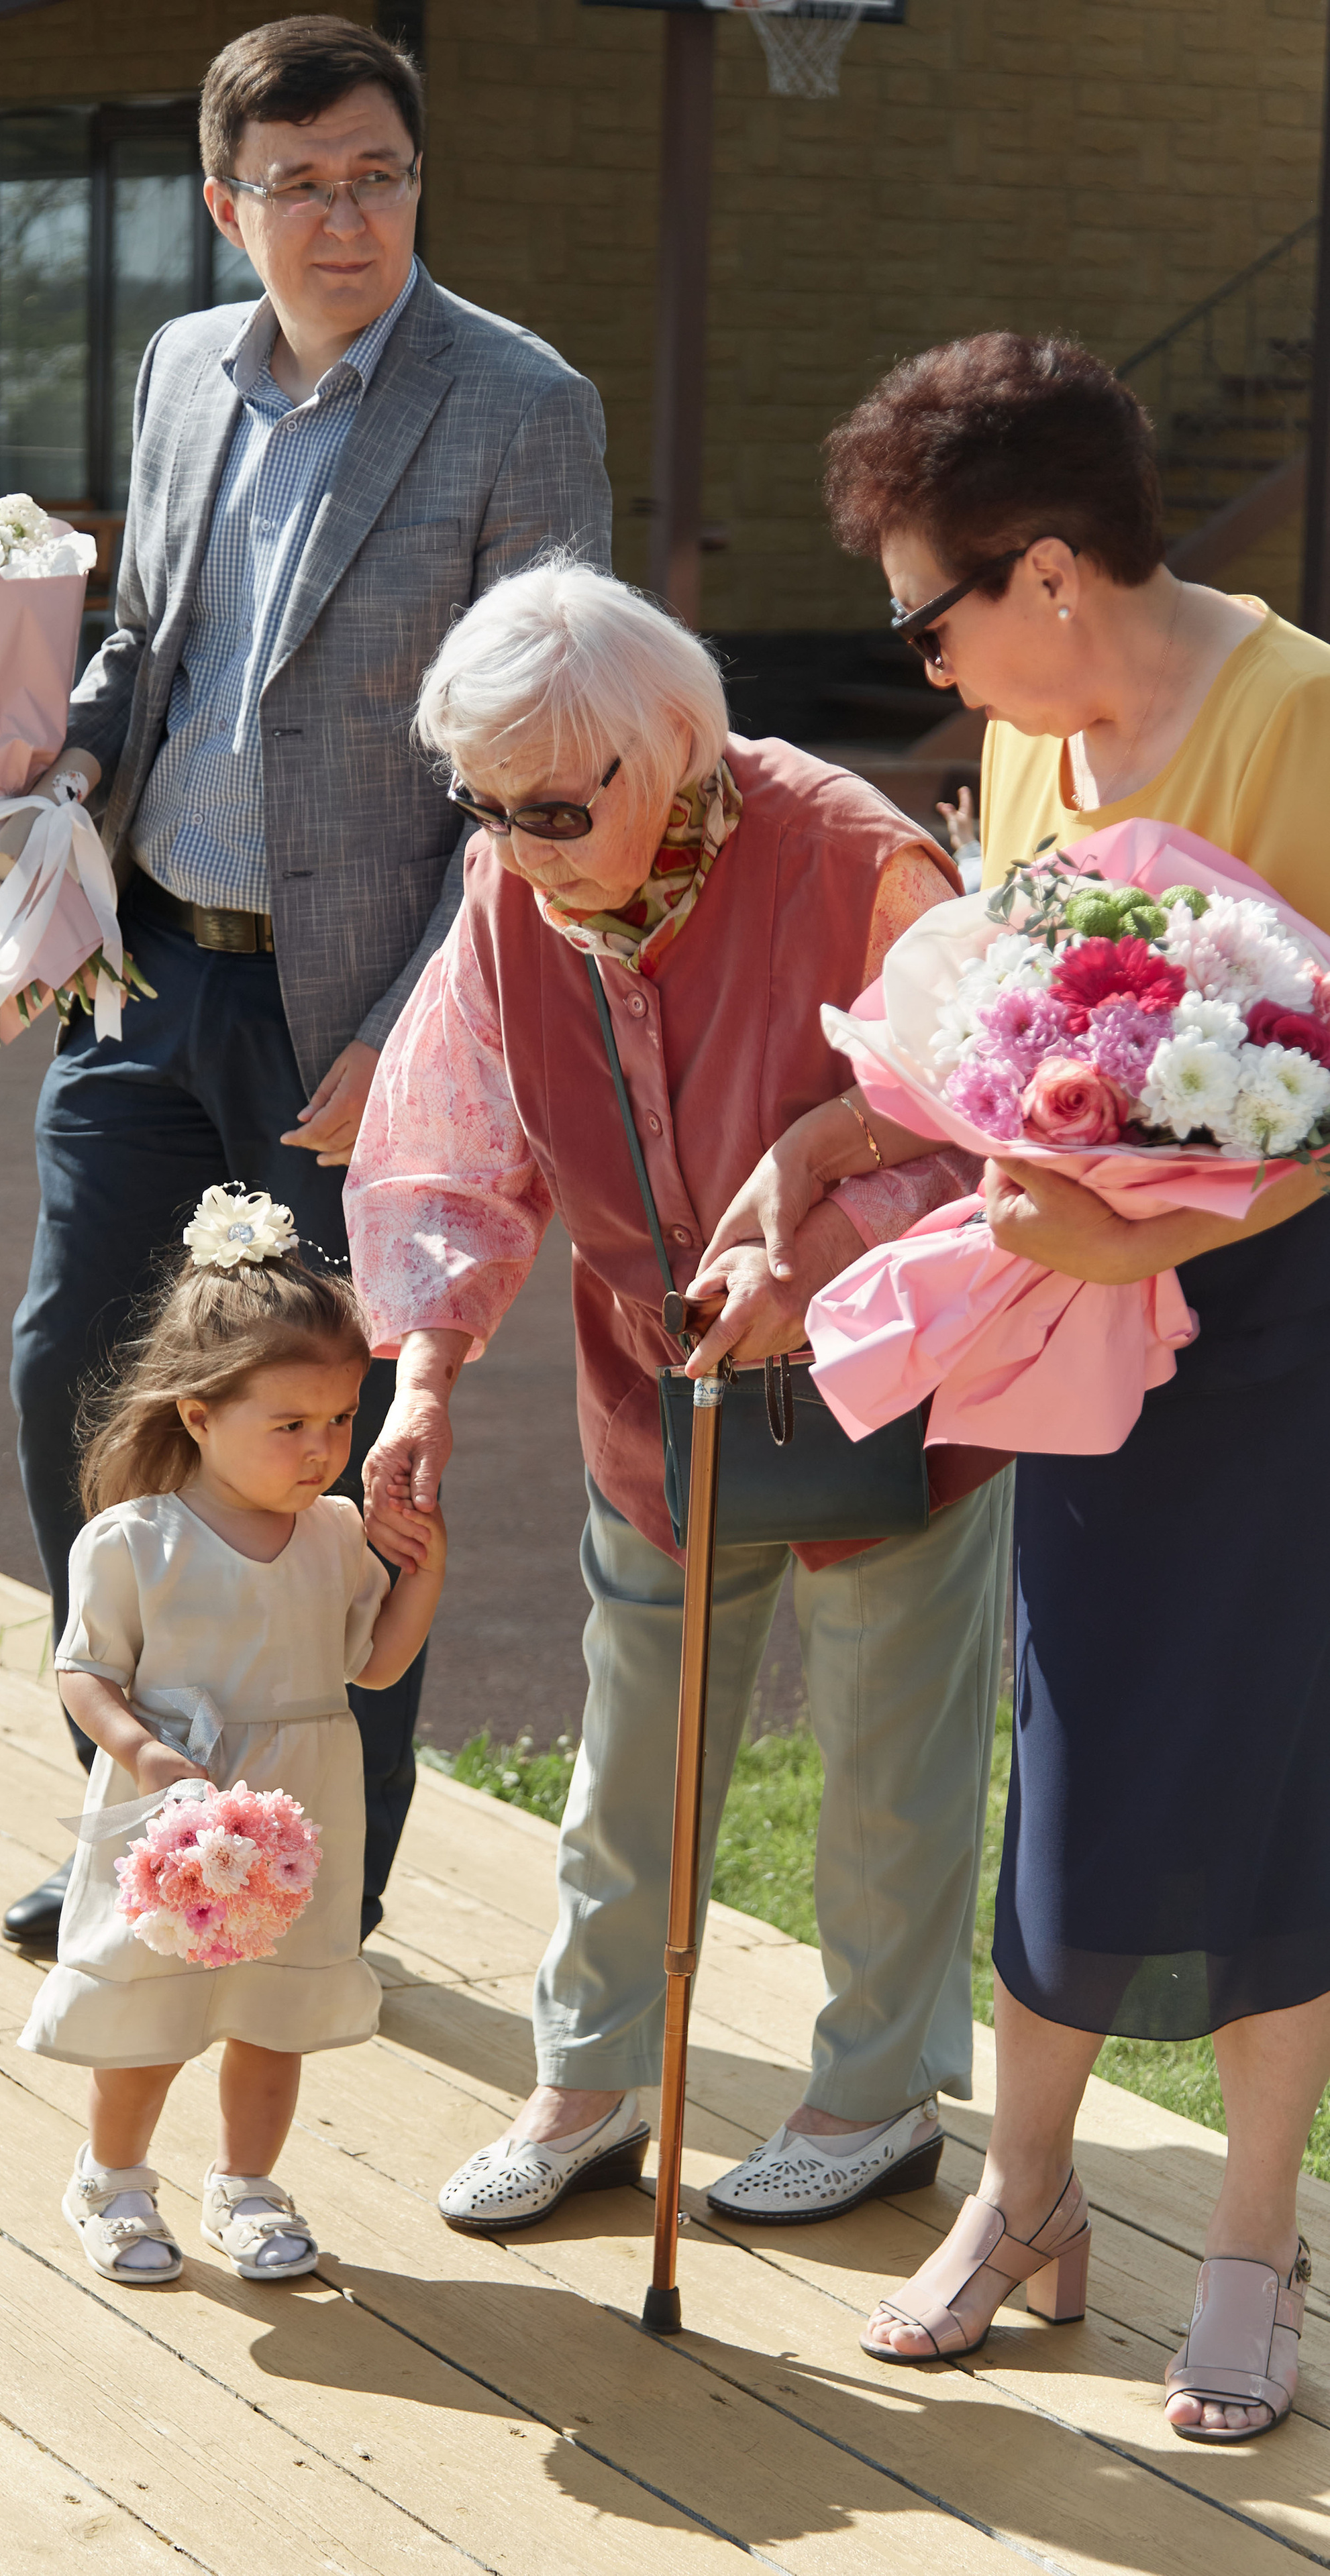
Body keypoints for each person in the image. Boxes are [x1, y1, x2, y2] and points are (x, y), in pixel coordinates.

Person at [0, 15, 612, 1956]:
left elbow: (545, 768)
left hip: (359, 1022)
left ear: (415, 184)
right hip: (146, 982)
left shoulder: (520, 406)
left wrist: (412, 1039)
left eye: (379, 173)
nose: (347, 214)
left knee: (325, 1439)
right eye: (301, 183)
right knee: (85, 1384)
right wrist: (25, 774)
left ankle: (319, 1868)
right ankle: (146, 1794)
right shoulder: (184, 366)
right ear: (231, 204)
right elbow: (150, 648)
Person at [345, 559, 1014, 2231]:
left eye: (556, 807)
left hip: (881, 1387)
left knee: (881, 1756)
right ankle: (589, 2078)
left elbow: (989, 1127)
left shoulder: (856, 857)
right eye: (483, 808)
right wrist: (421, 1380)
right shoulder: (519, 889)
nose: (519, 846)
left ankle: (874, 2096)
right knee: (627, 1736)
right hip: (649, 1390)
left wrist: (819, 1256)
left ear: (670, 744)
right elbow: (453, 1138)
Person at [820, 329, 1330, 2440]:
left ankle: (1249, 2246)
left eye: (928, 613)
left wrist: (1157, 1233)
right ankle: (1028, 2204)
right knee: (1073, 1734)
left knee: (1280, 1773)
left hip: (1286, 1335)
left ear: (1042, 574)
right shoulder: (1033, 741)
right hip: (1086, 1334)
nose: (930, 667)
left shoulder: (1303, 719)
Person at [20, 1187, 445, 2285]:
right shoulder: (134, 1540)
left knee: (274, 2013)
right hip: (179, 1812)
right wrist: (148, 1756)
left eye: (342, 1421)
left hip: (300, 1804)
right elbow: (83, 1668)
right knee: (152, 2015)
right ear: (200, 1416)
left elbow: (374, 1664)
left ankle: (246, 2186)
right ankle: (111, 2177)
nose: (323, 1450)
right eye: (291, 1426)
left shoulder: (337, 1532)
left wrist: (421, 1573)